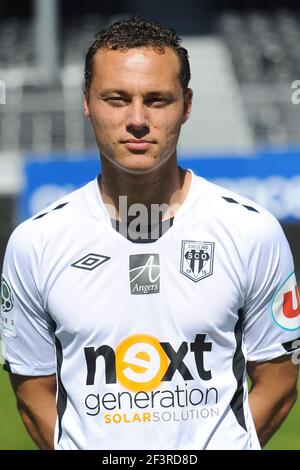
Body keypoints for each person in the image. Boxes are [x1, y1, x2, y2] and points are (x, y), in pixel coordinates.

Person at [1, 16, 300, 451]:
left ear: (187, 104)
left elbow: (278, 380)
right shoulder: (36, 243)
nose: (137, 119)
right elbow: (32, 394)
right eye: (117, 99)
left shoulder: (252, 232)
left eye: (158, 100)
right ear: (86, 101)